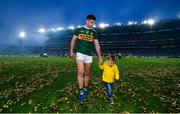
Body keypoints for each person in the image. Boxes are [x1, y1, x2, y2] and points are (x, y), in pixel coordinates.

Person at [70, 14, 103, 104]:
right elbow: (73, 40)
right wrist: (71, 50)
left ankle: (85, 89)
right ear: (87, 20)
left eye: (94, 23)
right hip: (80, 53)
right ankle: (81, 92)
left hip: (89, 55)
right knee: (81, 72)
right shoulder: (78, 30)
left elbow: (97, 45)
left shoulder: (94, 32)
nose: (93, 24)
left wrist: (100, 57)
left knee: (87, 73)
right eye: (91, 22)